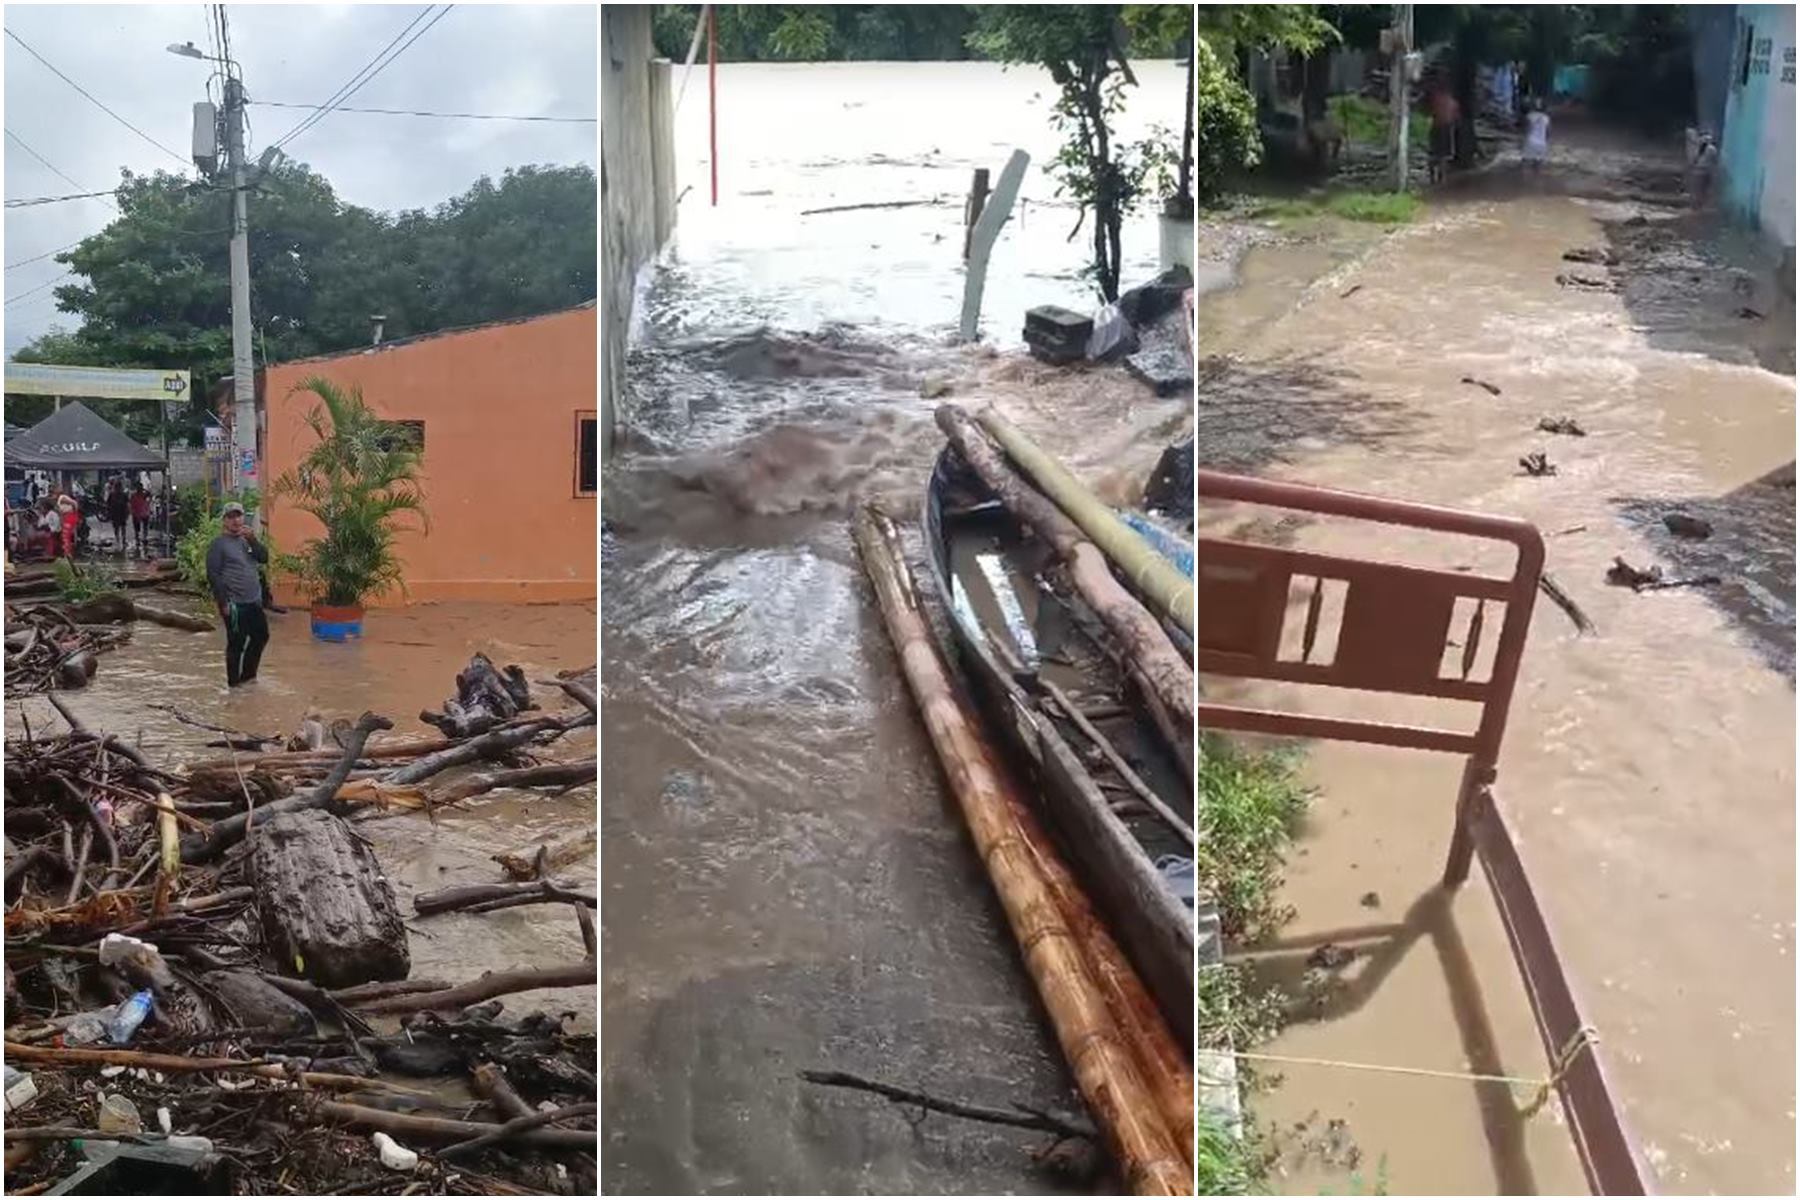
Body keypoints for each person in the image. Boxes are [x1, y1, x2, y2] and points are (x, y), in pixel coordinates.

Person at [206, 502, 271, 687]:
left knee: (261, 636)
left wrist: (253, 540)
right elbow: (213, 574)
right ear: (224, 521)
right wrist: (223, 602)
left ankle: (249, 677)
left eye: (238, 516)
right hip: (234, 604)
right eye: (231, 517)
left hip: (254, 600)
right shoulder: (218, 545)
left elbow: (264, 558)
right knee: (236, 644)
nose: (236, 520)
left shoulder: (247, 540)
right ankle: (234, 686)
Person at [1429, 84, 1460, 184]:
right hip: (1446, 127)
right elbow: (1456, 117)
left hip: (1437, 125)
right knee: (1444, 155)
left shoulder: (1435, 99)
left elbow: (1430, 111)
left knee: (1434, 153)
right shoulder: (1452, 102)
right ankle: (1441, 176)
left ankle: (1434, 175)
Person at [1522, 100, 1551, 175]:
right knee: (1538, 166)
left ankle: (1525, 184)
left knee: (1525, 165)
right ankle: (1537, 182)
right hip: (1541, 143)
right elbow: (1548, 132)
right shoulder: (1546, 118)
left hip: (1530, 142)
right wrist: (1546, 142)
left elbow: (1526, 130)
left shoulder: (1529, 116)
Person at [106, 479, 129, 554]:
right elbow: (108, 504)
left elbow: (127, 504)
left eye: (119, 487)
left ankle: (122, 540)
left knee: (121, 528)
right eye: (117, 487)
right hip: (116, 514)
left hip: (121, 514)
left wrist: (127, 513)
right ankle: (119, 540)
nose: (118, 488)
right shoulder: (112, 494)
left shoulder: (123, 495)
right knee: (118, 528)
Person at [129, 483, 152, 556]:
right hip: (137, 513)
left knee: (144, 526)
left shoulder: (144, 495)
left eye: (140, 488)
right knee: (137, 528)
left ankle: (143, 538)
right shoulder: (134, 495)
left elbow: (150, 495)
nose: (139, 489)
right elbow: (131, 503)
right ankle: (138, 539)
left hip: (143, 513)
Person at [55, 493, 79, 559]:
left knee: (66, 537)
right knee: (68, 537)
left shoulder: (62, 498)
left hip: (68, 519)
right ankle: (68, 553)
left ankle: (68, 553)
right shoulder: (71, 505)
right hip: (68, 519)